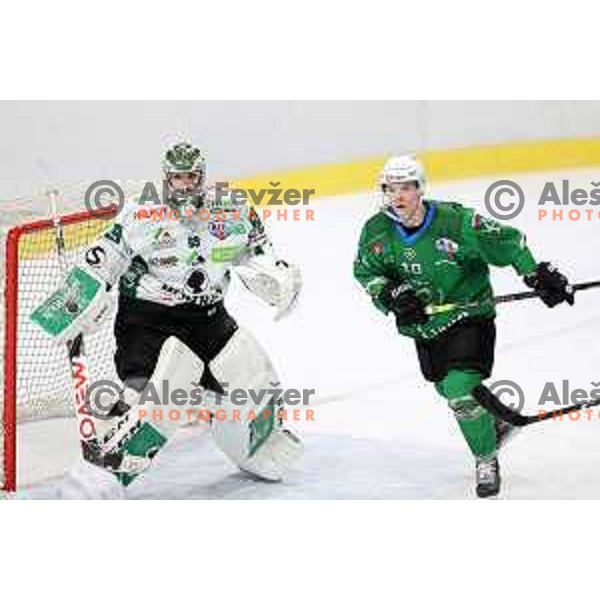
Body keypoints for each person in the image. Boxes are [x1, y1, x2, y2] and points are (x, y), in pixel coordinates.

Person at [32, 141, 303, 498]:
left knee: (249, 370)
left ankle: (258, 447)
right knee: (161, 396)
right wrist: (72, 306)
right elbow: (100, 261)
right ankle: (100, 476)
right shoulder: (141, 213)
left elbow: (257, 255)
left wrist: (275, 277)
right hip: (149, 322)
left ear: (202, 177)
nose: (184, 185)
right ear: (165, 179)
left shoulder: (232, 210)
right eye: (177, 178)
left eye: (191, 177)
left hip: (208, 318)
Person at [353, 155, 574, 498]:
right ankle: (495, 423)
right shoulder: (376, 230)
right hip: (426, 326)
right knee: (446, 389)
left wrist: (535, 273)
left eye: (406, 188)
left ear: (420, 188)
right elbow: (366, 271)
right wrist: (392, 294)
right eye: (390, 188)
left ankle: (486, 459)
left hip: (470, 314)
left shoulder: (456, 222)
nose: (398, 196)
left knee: (459, 388)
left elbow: (508, 241)